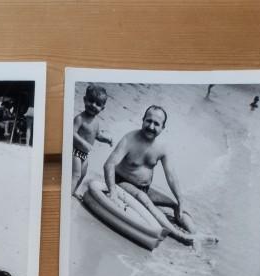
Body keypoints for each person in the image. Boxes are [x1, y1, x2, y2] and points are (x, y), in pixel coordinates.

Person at [103, 105, 203, 245]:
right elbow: (109, 164)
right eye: (148, 121)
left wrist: (181, 200)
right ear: (142, 120)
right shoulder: (130, 139)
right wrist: (112, 191)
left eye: (156, 124)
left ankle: (196, 235)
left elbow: (171, 176)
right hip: (123, 183)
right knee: (144, 198)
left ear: (163, 128)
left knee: (175, 205)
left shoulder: (162, 147)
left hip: (145, 188)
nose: (151, 126)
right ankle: (178, 235)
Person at [71, 84, 113, 196]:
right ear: (85, 100)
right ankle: (67, 195)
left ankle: (74, 191)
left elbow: (97, 135)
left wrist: (106, 139)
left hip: (84, 154)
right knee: (76, 174)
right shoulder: (80, 118)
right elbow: (71, 132)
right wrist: (83, 142)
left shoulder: (96, 122)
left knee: (83, 174)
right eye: (91, 101)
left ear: (102, 108)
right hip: (75, 151)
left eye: (98, 104)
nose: (93, 105)